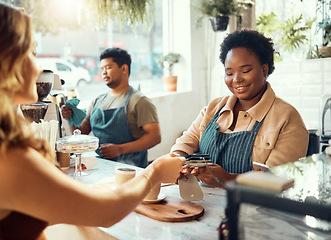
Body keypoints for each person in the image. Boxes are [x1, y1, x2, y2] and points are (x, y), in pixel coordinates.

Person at [0, 3, 185, 240]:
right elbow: (106, 211)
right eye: (28, 53)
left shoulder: (139, 101)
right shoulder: (9, 158)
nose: (38, 66)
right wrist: (156, 172)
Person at [171, 29, 309, 187]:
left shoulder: (287, 118)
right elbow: (185, 144)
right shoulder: (213, 108)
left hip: (256, 210)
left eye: (246, 71)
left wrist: (229, 179)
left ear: (264, 69)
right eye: (229, 73)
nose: (236, 80)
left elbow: (277, 181)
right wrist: (177, 160)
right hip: (204, 206)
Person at [62, 48, 160, 168]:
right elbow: (81, 132)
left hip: (132, 170)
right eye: (102, 69)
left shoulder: (139, 101)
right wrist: (71, 118)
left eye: (108, 68)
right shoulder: (97, 101)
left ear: (124, 69)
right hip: (101, 168)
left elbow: (155, 137)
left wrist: (120, 149)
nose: (103, 72)